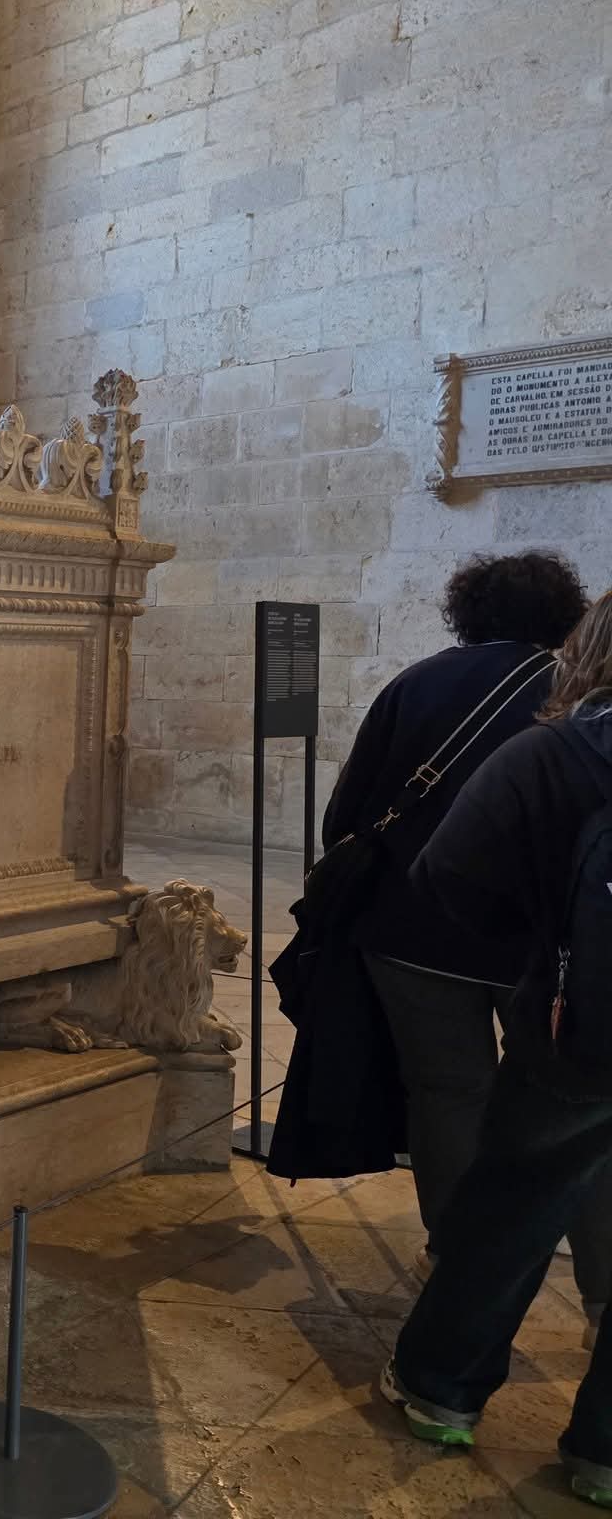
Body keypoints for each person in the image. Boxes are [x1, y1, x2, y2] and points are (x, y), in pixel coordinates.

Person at [381, 587, 612, 1505]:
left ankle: (441, 1392)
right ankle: (604, 1456)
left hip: (576, 1029)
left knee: (513, 1202)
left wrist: (547, 949)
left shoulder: (553, 752)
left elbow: (451, 878)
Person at [322, 551, 594, 1276]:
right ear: (563, 614)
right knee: (571, 1099)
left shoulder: (415, 682)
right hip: (538, 943)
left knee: (447, 1091)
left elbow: (344, 817)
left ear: (467, 609)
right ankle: (589, 1276)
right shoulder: (575, 692)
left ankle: (454, 1258)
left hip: (412, 930)